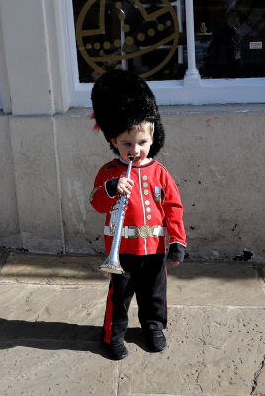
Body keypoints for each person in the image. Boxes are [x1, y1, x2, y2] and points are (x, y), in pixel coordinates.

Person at [89, 68, 186, 360]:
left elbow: (173, 209)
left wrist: (178, 241)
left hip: (154, 248)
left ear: (152, 137)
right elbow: (96, 202)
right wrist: (111, 187)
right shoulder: (108, 172)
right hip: (122, 250)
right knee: (119, 298)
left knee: (153, 295)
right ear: (114, 141)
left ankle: (153, 327)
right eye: (127, 144)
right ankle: (112, 335)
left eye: (142, 143)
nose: (135, 150)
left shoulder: (160, 173)